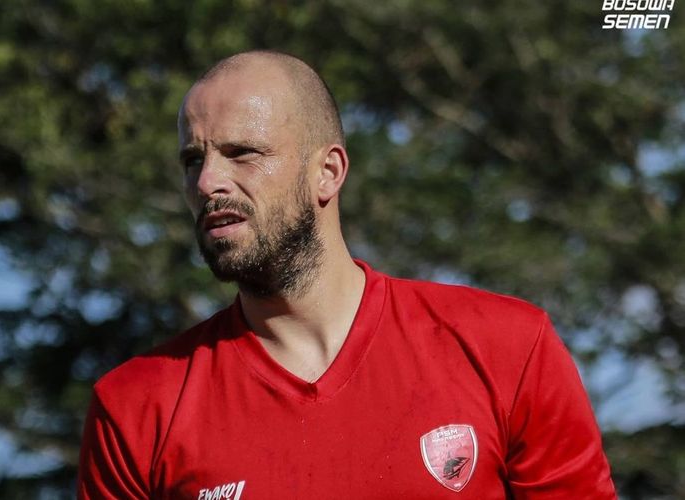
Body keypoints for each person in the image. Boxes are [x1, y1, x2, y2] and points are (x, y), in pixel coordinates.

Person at [77, 50, 616, 499]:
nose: (207, 182)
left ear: (328, 172)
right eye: (193, 160)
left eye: (242, 153)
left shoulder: (506, 348)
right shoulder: (135, 406)